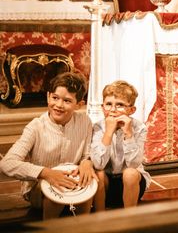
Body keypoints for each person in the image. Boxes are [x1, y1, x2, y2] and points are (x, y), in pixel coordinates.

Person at [0, 72, 96, 219]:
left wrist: (86, 162)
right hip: (40, 189)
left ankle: (84, 226)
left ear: (79, 105)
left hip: (72, 185)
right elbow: (7, 164)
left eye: (67, 101)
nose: (58, 105)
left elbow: (86, 154)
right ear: (48, 96)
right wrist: (46, 173)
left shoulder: (85, 122)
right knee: (56, 191)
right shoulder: (35, 127)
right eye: (55, 98)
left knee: (88, 181)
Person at [91, 80, 151, 210]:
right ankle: (99, 219)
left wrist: (128, 134)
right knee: (99, 174)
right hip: (105, 186)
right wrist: (108, 132)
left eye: (120, 105)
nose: (113, 110)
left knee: (130, 173)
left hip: (131, 184)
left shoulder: (139, 128)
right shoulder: (97, 127)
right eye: (108, 104)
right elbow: (98, 164)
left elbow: (134, 164)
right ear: (102, 107)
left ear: (131, 110)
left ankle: (129, 218)